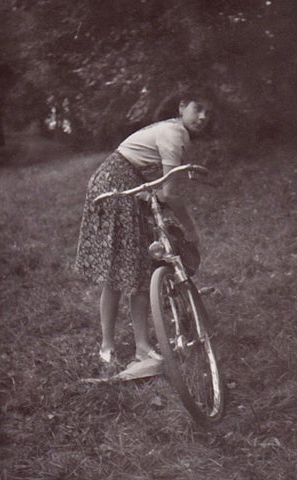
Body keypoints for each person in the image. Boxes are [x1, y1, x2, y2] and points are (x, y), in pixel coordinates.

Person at [75, 86, 214, 365]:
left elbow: (164, 190)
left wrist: (154, 197)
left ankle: (140, 345)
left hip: (128, 182)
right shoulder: (174, 133)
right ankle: (108, 347)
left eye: (208, 113)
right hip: (114, 183)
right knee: (119, 270)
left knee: (140, 269)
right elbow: (171, 194)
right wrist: (191, 228)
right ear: (182, 106)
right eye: (197, 108)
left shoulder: (175, 131)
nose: (202, 117)